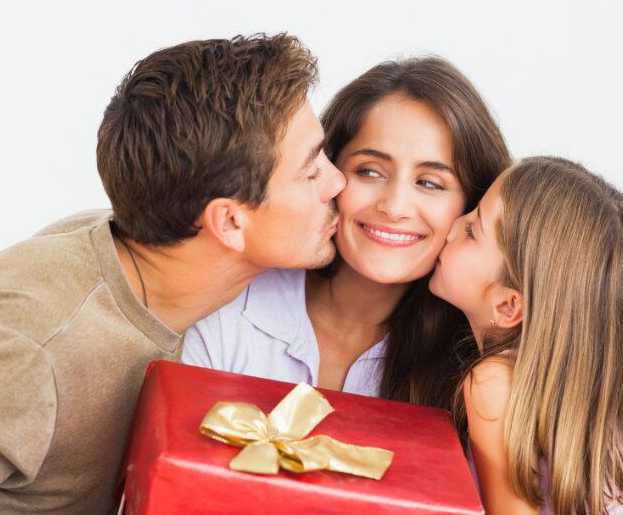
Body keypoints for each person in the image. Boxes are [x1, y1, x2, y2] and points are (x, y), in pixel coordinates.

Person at [0, 33, 346, 515]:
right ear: (229, 222)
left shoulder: (139, 250)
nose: (337, 182)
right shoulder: (26, 348)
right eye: (311, 171)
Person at [184, 56, 511, 411]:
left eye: (429, 183)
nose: (394, 207)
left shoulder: (483, 372)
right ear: (325, 170)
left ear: (472, 207)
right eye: (369, 171)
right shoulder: (226, 307)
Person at [429, 156, 623, 515]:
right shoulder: (590, 388)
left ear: (509, 305)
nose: (451, 226)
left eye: (472, 230)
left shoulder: (494, 384)